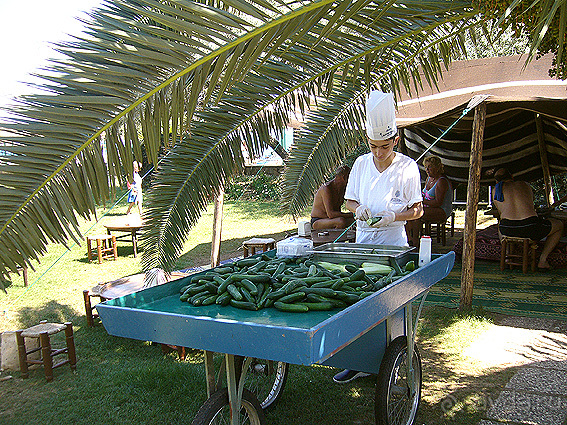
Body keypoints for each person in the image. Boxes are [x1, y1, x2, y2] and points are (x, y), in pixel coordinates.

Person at [333, 90, 423, 384]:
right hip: (364, 245)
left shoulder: (407, 167)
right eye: (373, 146)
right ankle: (358, 362)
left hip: (394, 245)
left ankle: (397, 360)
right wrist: (358, 211)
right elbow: (350, 201)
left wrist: (394, 217)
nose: (378, 153)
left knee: (394, 305)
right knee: (361, 304)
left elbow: (418, 210)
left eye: (384, 147)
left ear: (395, 140)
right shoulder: (360, 165)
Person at [492, 168, 563, 270]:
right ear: (512, 176)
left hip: (507, 229)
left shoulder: (496, 190)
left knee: (500, 225)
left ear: (497, 181)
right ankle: (543, 260)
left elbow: (500, 212)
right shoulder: (524, 185)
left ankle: (507, 256)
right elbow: (531, 204)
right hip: (529, 227)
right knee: (559, 225)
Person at [405, 155, 453, 246]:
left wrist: (421, 201)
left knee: (416, 214)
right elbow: (423, 194)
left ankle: (415, 241)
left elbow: (438, 203)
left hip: (441, 210)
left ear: (437, 168)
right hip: (428, 207)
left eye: (430, 167)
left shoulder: (441, 181)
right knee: (407, 211)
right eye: (426, 167)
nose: (427, 170)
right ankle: (409, 238)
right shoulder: (429, 179)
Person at [310, 166, 355, 230]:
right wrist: (351, 215)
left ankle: (353, 239)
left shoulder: (342, 188)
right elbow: (331, 214)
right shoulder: (326, 189)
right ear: (344, 177)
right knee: (340, 222)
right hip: (318, 220)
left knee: (356, 221)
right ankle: (338, 239)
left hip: (333, 219)